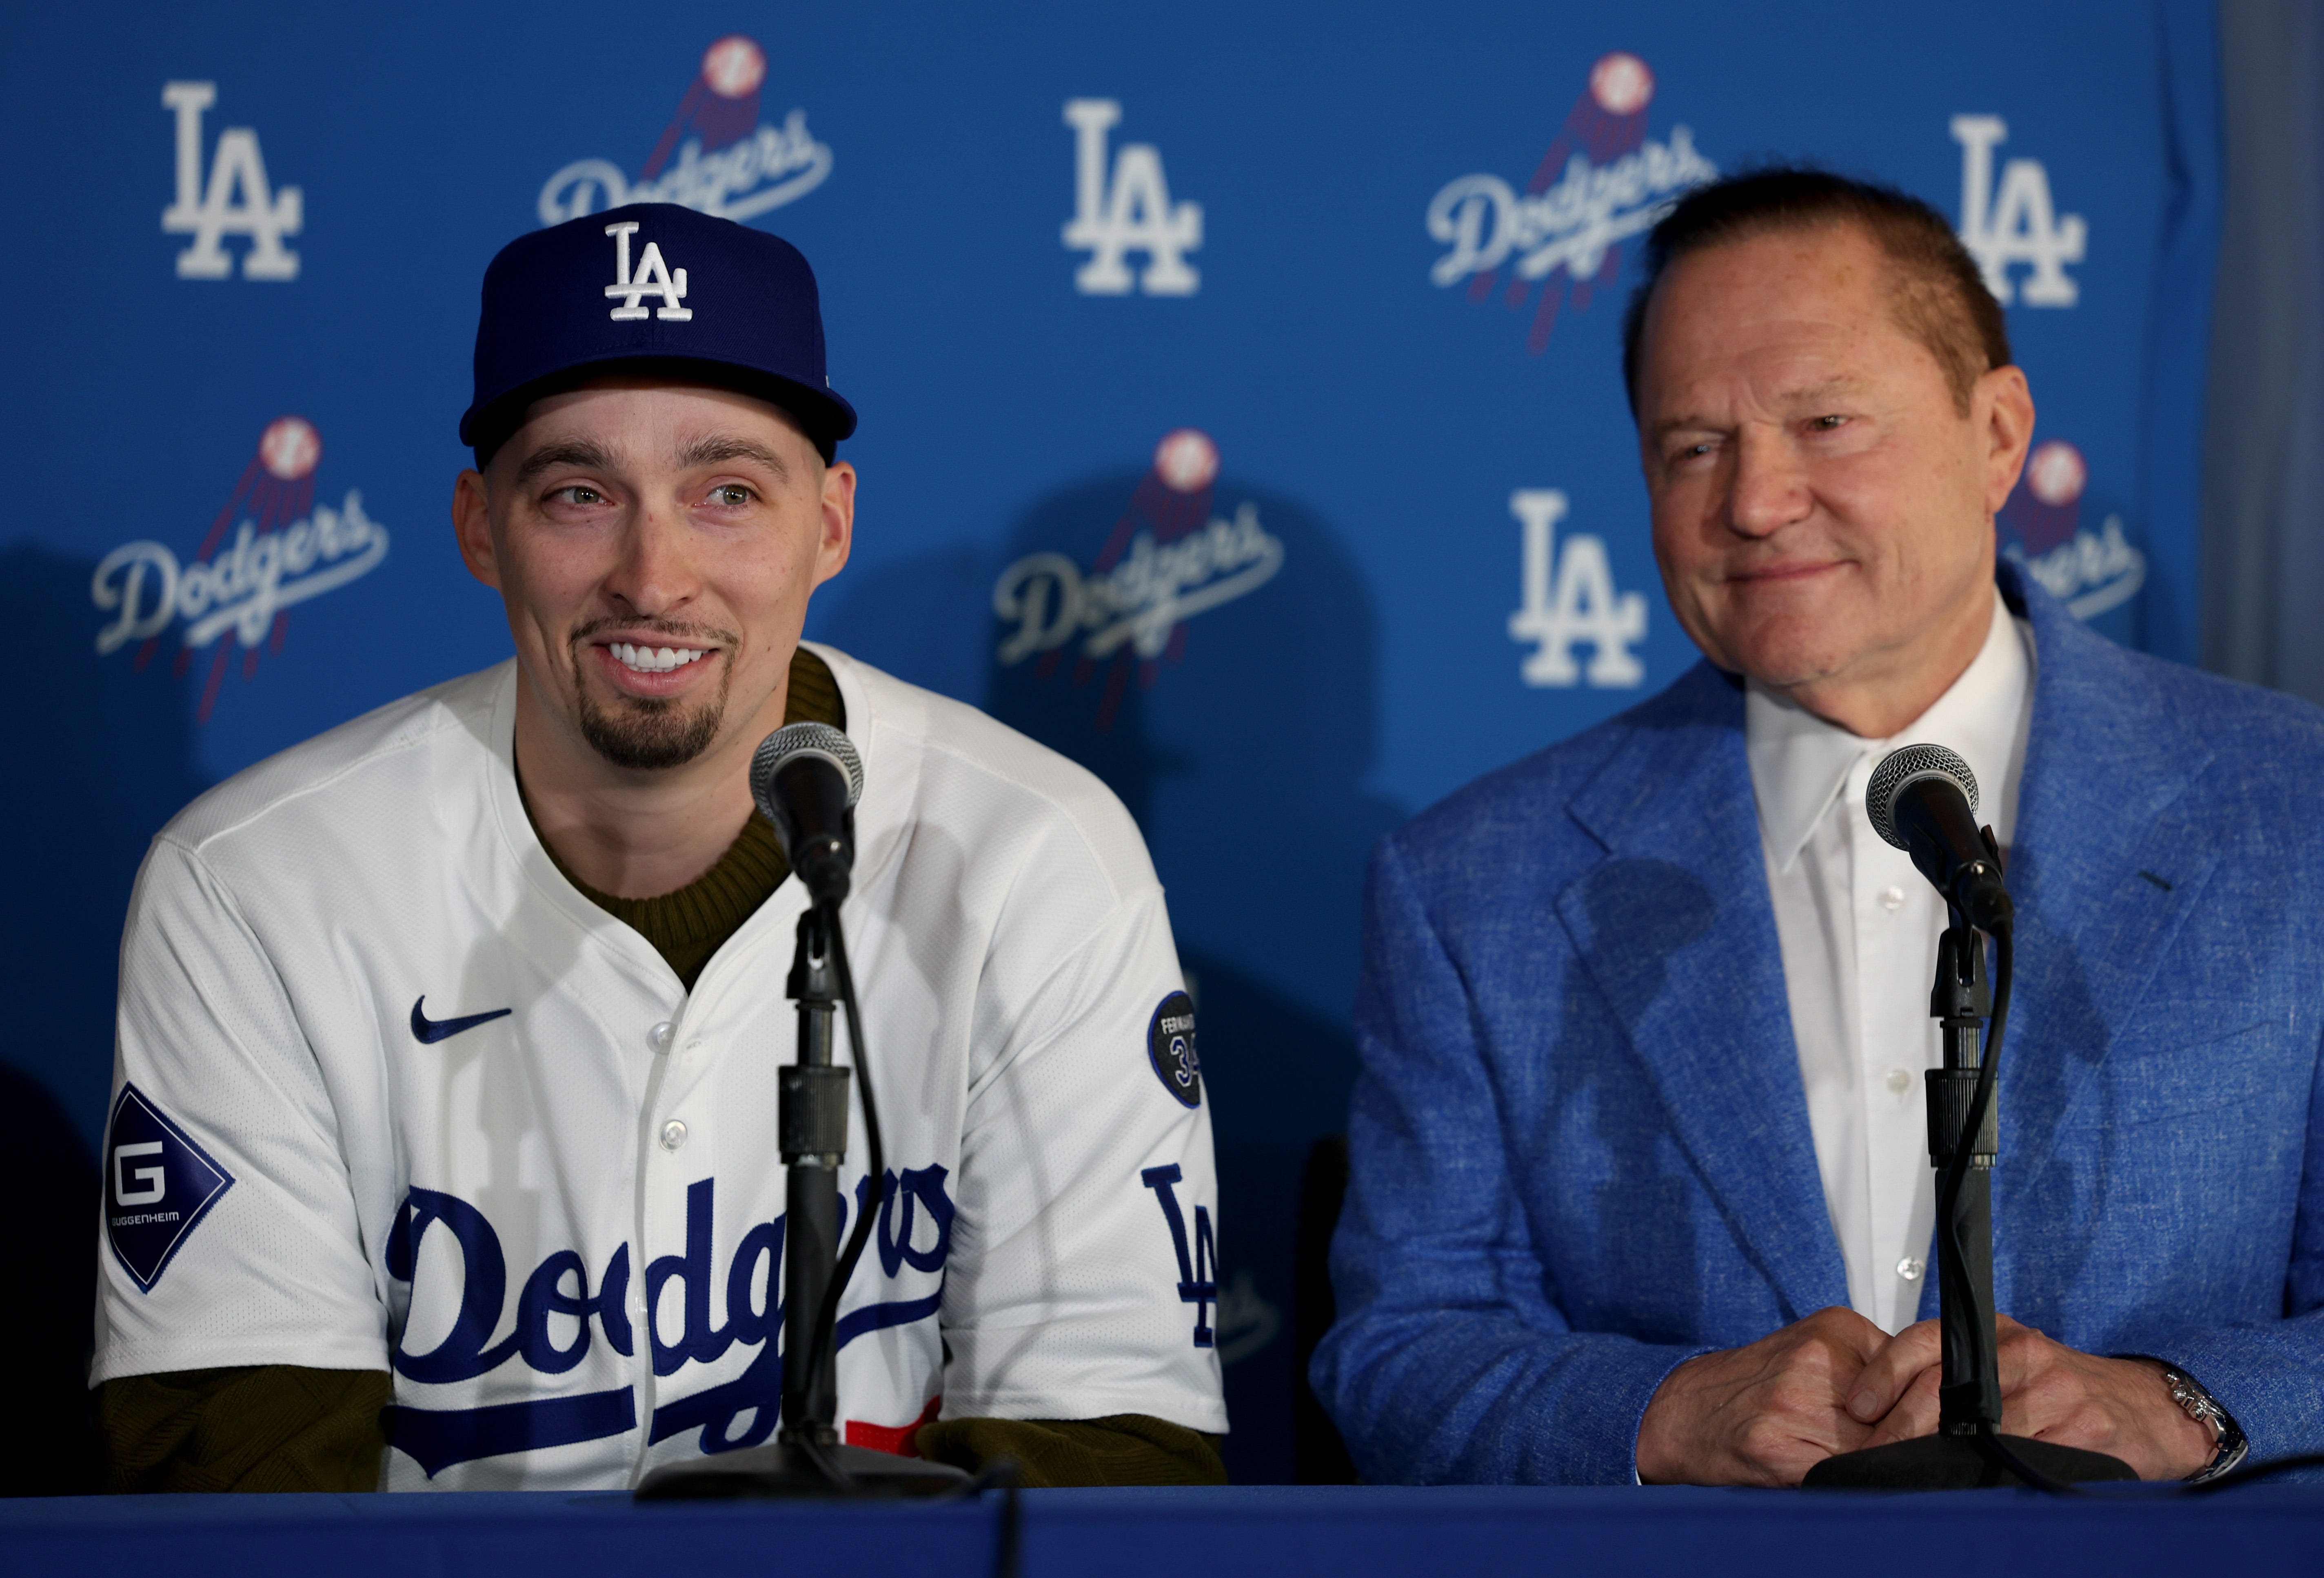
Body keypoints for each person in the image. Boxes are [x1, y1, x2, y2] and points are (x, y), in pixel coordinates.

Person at [91, 203, 1227, 1492]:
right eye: (579, 494)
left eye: (727, 493)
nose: (653, 574)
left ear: (831, 523)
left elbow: (1107, 1458)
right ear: (479, 525)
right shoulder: (256, 885)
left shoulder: (1034, 856)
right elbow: (236, 1488)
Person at [1312, 170, 2324, 1487]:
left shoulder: (2294, 808)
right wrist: (1665, 1411)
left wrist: (2179, 1407)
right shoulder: (1471, 885)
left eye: (1826, 423)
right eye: (1694, 446)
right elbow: (1401, 1347)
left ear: (1999, 434)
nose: (1754, 500)